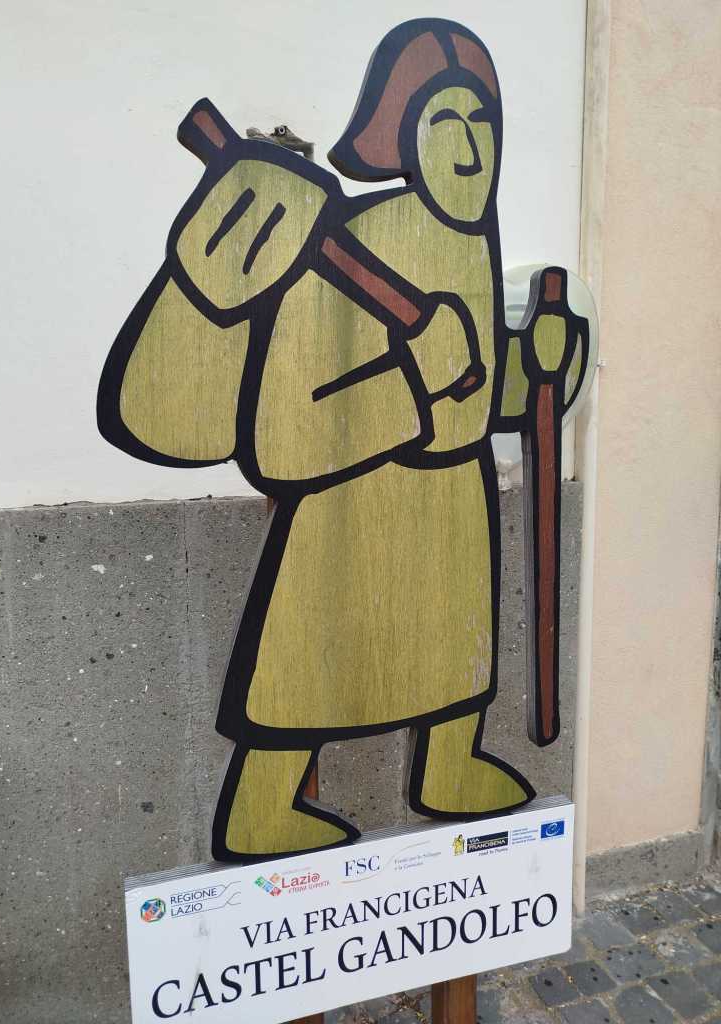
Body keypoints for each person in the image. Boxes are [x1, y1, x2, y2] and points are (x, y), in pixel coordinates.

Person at [98, 18, 588, 862]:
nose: (472, 149)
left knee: (455, 649)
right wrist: (411, 380)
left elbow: (475, 385)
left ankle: (449, 765)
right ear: (407, 141)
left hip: (454, 505)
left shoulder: (475, 241)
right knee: (310, 664)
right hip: (356, 507)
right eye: (446, 124)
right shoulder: (351, 247)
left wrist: (538, 369)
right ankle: (262, 807)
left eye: (483, 124)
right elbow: (285, 433)